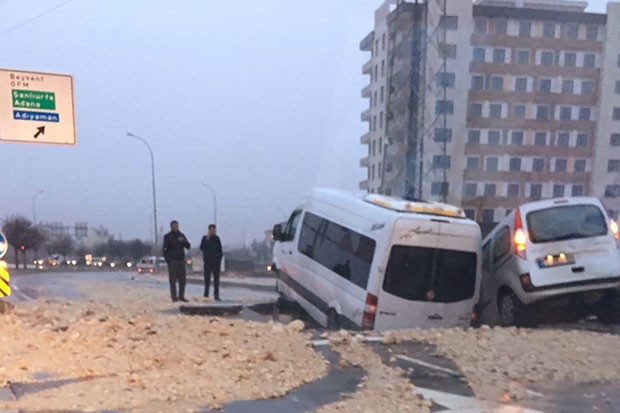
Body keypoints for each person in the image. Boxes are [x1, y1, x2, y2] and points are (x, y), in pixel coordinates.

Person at [163, 220, 191, 302]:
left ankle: (181, 296)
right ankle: (174, 297)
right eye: (174, 226)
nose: (175, 227)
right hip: (172, 260)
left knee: (182, 280)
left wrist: (184, 241)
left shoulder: (181, 235)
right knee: (173, 280)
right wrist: (167, 259)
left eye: (177, 226)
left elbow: (188, 246)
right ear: (171, 227)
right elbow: (164, 249)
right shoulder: (167, 236)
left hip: (181, 260)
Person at [200, 224, 223, 300]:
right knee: (207, 279)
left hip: (216, 263)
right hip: (208, 262)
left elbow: (220, 250)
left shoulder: (217, 239)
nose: (213, 232)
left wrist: (218, 258)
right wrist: (207, 238)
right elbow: (202, 248)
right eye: (212, 230)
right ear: (209, 230)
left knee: (216, 280)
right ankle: (206, 295)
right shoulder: (205, 238)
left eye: (214, 230)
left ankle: (216, 295)